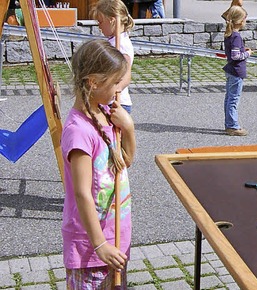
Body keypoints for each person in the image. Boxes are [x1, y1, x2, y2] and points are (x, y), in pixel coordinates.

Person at [61, 39, 136, 289]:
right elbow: (82, 194)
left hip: (117, 235)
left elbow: (124, 162)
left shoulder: (106, 113)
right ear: (93, 82)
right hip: (91, 248)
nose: (119, 88)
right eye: (115, 82)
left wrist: (129, 129)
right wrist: (100, 244)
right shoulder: (78, 132)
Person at [91, 0, 135, 114]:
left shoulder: (121, 44)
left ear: (112, 20)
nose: (99, 26)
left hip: (116, 102)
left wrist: (115, 90)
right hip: (107, 100)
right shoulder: (113, 40)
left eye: (100, 22)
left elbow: (126, 75)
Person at [223, 6, 251, 136]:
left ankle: (229, 123)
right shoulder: (236, 36)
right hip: (236, 71)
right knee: (233, 99)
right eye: (245, 19)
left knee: (229, 98)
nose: (245, 21)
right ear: (240, 21)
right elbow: (235, 56)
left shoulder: (229, 34)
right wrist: (247, 54)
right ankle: (232, 126)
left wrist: (243, 51)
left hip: (230, 70)